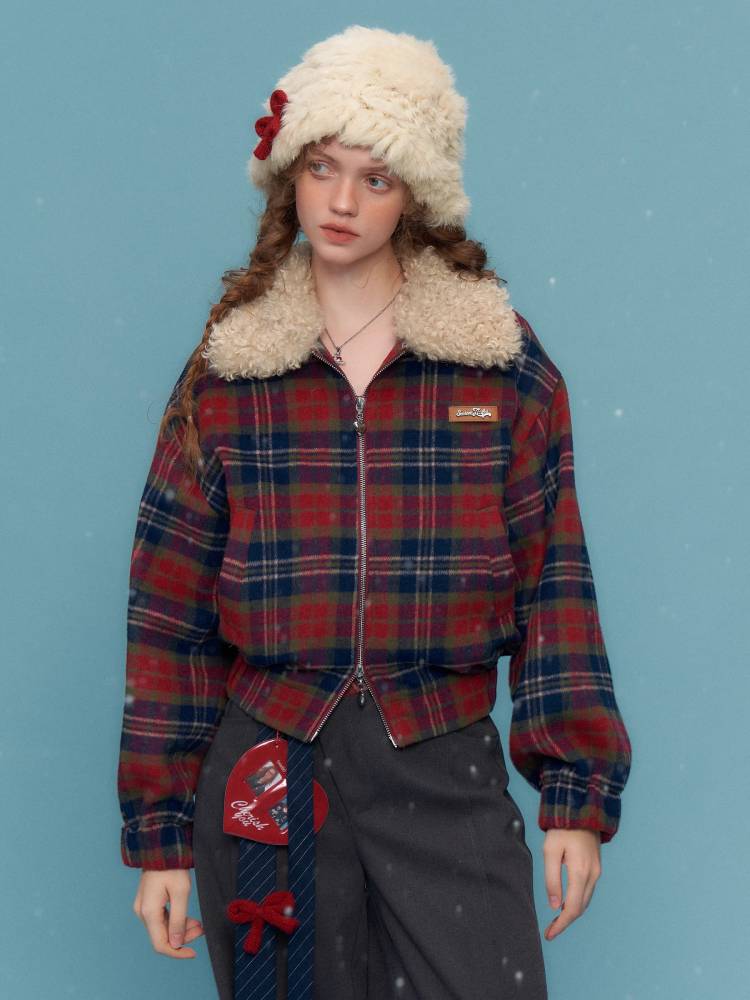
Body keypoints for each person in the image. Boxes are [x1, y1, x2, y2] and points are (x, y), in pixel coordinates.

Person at [116, 24, 633, 1000]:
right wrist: (160, 838)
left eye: (376, 177)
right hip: (268, 770)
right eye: (322, 167)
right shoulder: (233, 370)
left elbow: (555, 583)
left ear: (417, 193)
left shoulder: (496, 364)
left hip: (439, 757)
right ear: (290, 176)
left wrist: (576, 796)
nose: (343, 202)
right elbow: (169, 611)